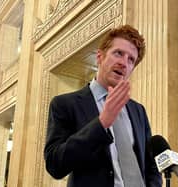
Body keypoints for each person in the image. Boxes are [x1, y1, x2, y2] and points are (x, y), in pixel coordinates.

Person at [44, 24, 162, 187]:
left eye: (131, 60)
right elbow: (54, 165)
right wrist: (101, 123)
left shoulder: (138, 110)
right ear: (99, 57)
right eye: (118, 53)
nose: (124, 63)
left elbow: (151, 165)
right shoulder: (65, 104)